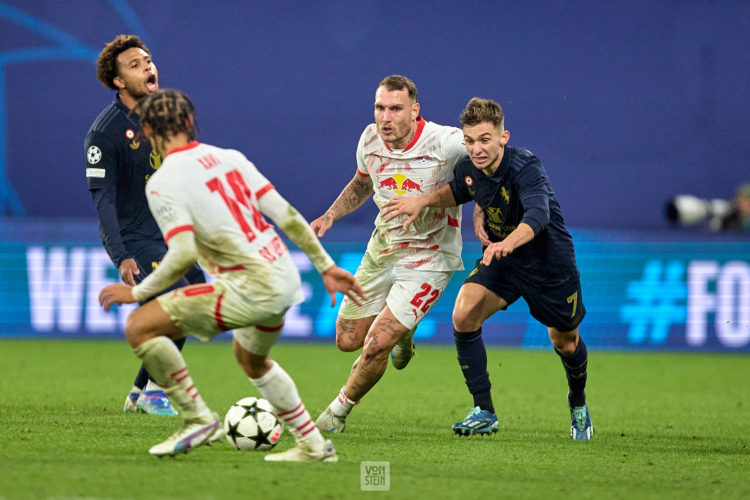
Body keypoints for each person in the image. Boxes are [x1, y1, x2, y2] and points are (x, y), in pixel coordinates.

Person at [98, 88, 366, 459]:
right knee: (251, 359)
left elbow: (182, 254)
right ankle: (313, 444)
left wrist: (138, 292)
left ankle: (196, 418)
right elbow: (285, 214)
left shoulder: (162, 182)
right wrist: (326, 265)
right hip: (284, 279)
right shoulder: (229, 158)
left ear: (145, 129)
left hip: (249, 289)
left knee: (140, 326)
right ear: (190, 122)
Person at [382, 97, 593, 440]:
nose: (477, 149)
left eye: (484, 140)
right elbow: (457, 190)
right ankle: (485, 411)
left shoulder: (526, 166)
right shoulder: (469, 169)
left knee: (565, 342)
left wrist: (508, 242)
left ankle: (578, 401)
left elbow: (539, 215)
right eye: (469, 140)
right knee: (464, 313)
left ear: (503, 137)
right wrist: (422, 201)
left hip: (548, 264)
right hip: (503, 262)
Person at [311, 75, 466, 433]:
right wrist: (331, 214)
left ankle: (336, 413)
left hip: (430, 257)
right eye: (380, 108)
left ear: (415, 111)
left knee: (377, 343)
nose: (386, 117)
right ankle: (406, 333)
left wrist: (484, 214)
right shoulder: (369, 139)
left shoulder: (446, 144)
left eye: (396, 109)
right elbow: (363, 182)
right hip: (383, 249)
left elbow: (488, 162)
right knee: (347, 341)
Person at [85, 34, 206, 416]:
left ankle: (138, 393)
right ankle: (156, 391)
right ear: (119, 81)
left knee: (198, 294)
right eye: (134, 65)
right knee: (180, 302)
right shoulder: (104, 133)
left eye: (148, 60)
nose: (147, 68)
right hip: (135, 238)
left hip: (168, 234)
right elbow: (102, 200)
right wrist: (121, 255)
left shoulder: (165, 116)